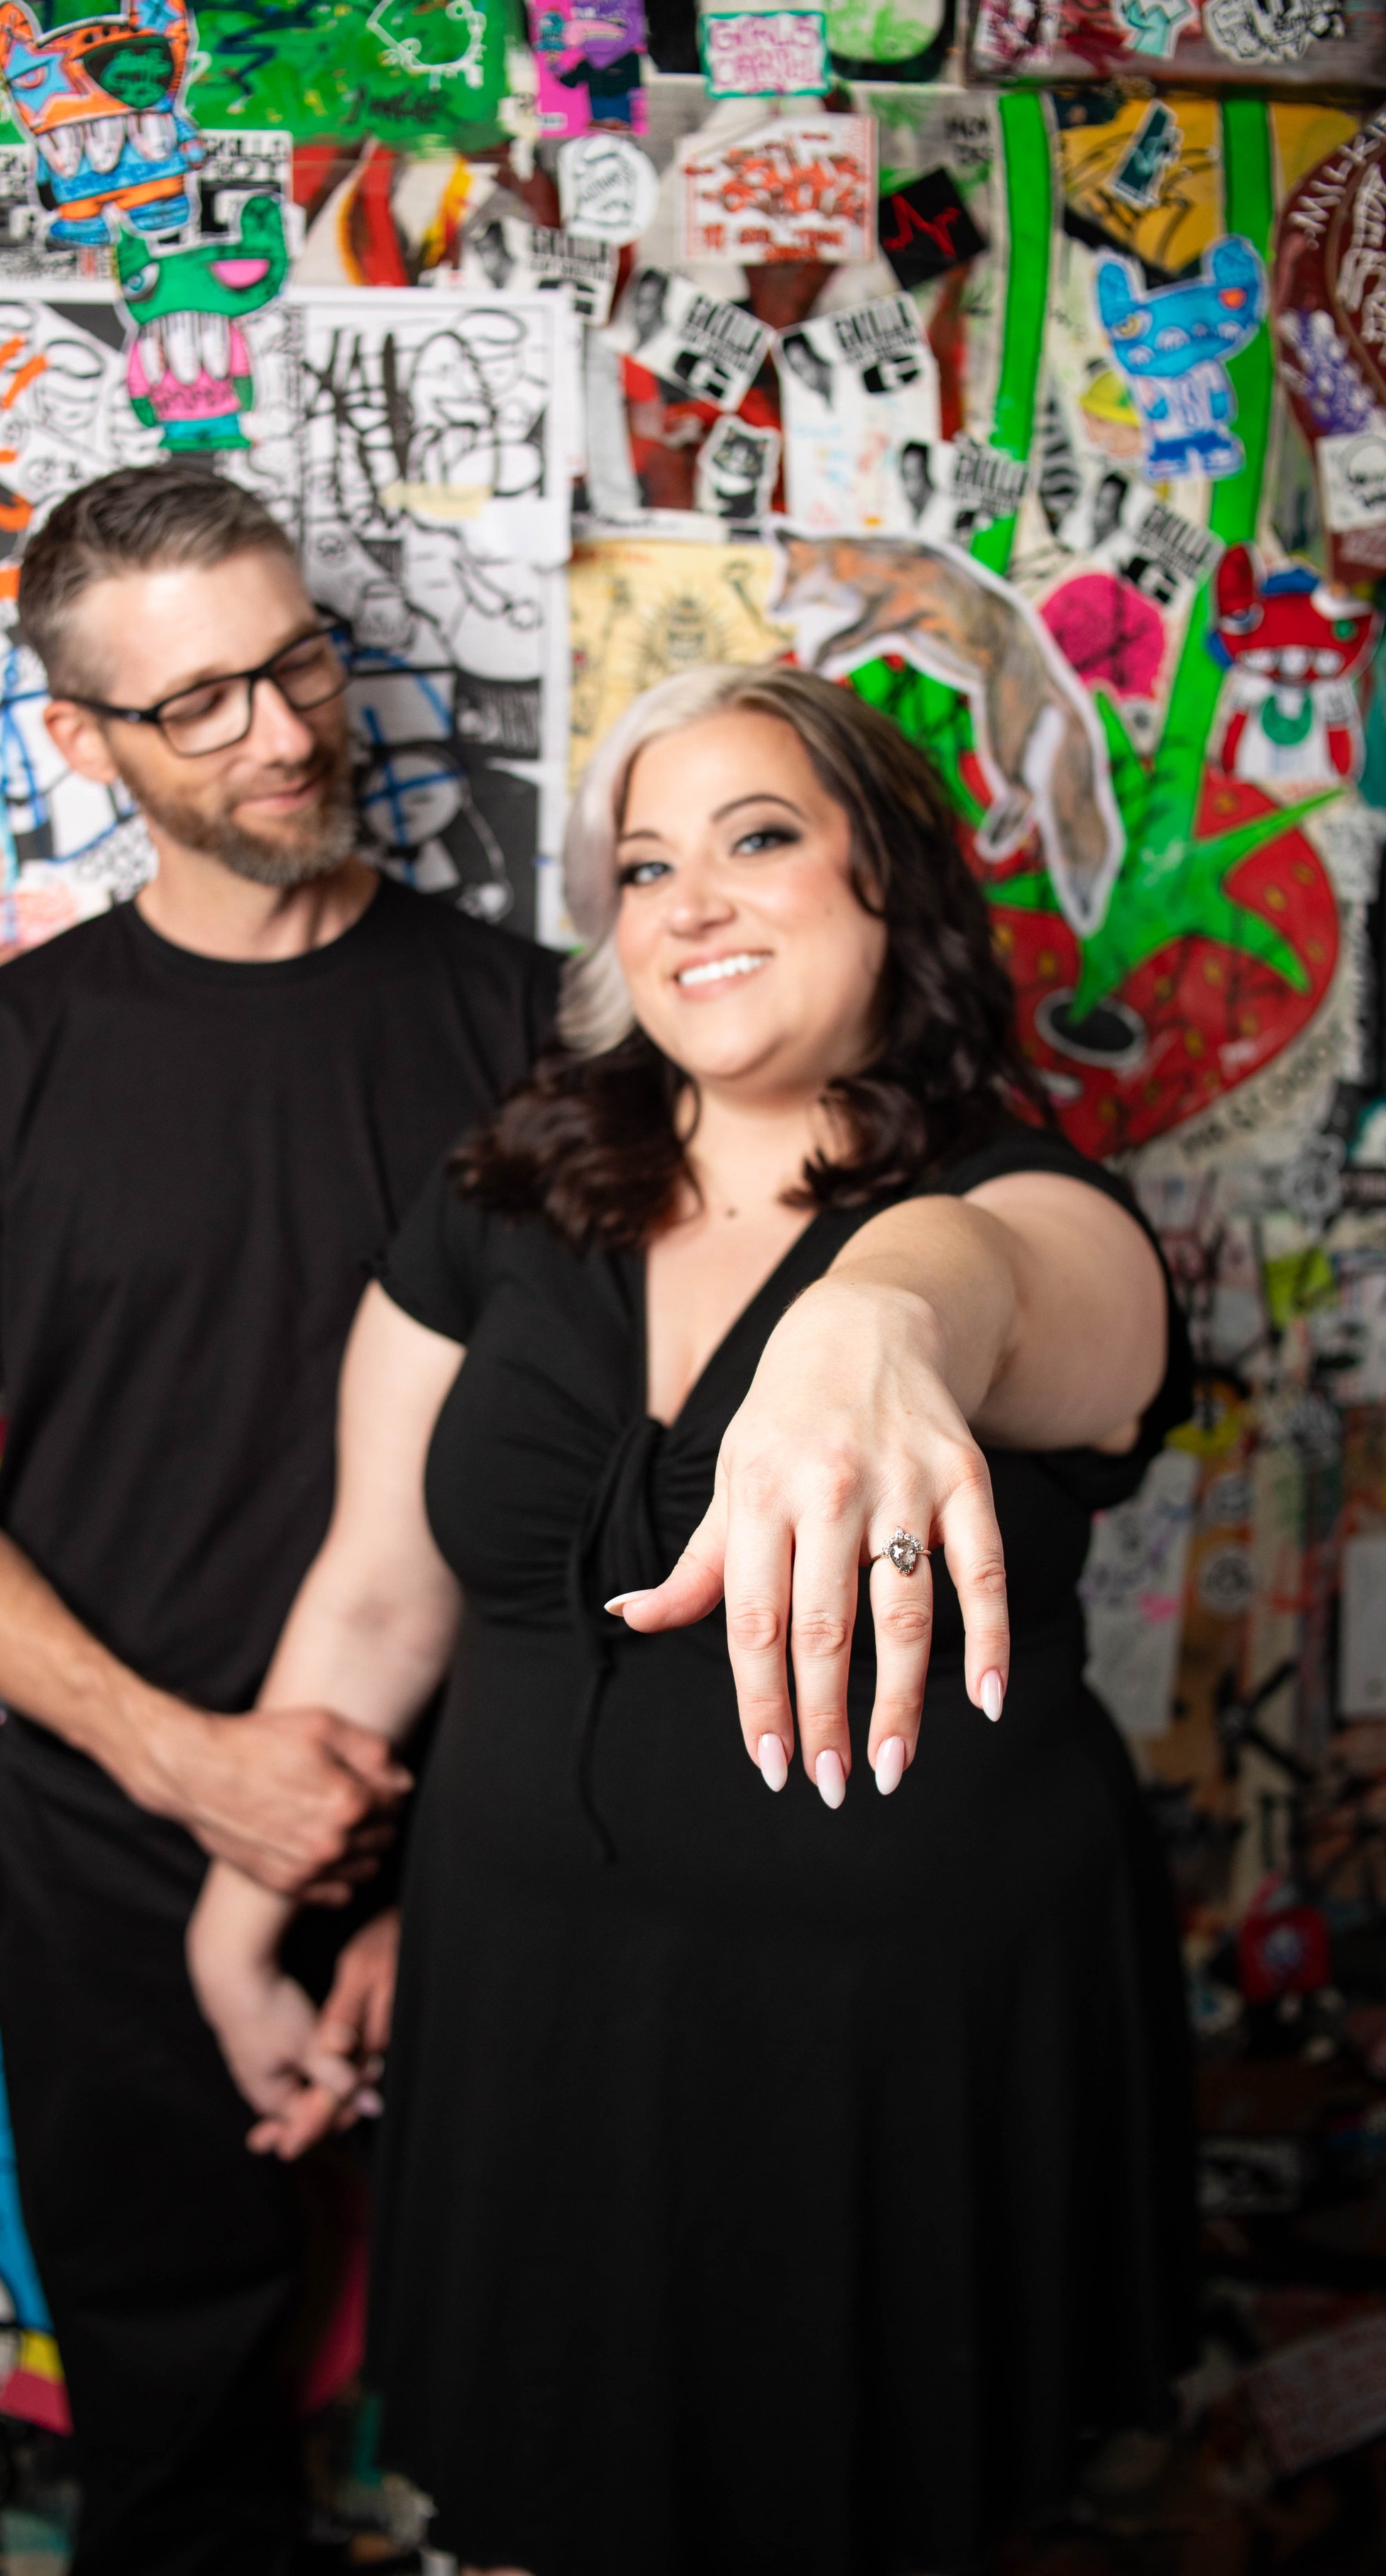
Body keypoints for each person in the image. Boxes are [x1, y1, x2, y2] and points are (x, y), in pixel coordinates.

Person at [191, 663, 1199, 2576]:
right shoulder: (499, 1202)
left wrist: (876, 1318)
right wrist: (241, 1921)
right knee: (534, 2515)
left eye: (757, 839)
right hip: (529, 2021)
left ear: (888, 879)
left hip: (890, 2058)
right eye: (643, 867)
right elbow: (378, 1591)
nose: (690, 901)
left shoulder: (1025, 1212)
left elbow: (1036, 1304)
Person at [0, 461, 565, 2575]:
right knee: (171, 2442)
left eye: (299, 660)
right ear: (82, 741)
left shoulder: (526, 1031)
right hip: (107, 1841)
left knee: (560, 2393)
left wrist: (440, 1869)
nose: (283, 728)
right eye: (203, 703)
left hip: (492, 1836)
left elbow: (597, 1483)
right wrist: (196, 1771)